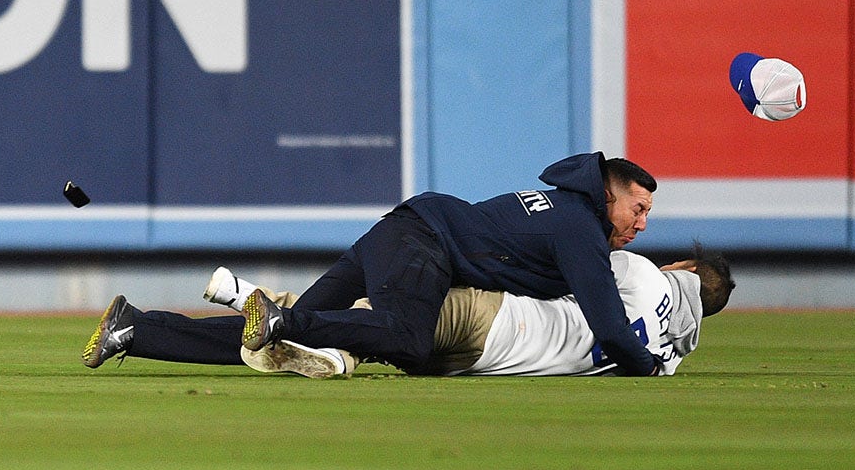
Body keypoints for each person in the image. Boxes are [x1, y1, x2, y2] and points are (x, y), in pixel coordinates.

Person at [85, 152, 664, 375]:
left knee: (264, 349)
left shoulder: (565, 214)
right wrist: (654, 367)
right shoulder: (580, 227)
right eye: (637, 208)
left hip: (401, 234)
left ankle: (134, 328)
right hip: (422, 246)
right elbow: (611, 328)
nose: (641, 223)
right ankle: (283, 318)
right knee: (409, 341)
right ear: (608, 194)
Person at [81, 245, 734, 378]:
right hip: (480, 355)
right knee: (304, 335)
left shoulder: (638, 271)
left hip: (473, 307)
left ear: (683, 268)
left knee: (295, 334)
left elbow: (554, 274)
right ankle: (149, 326)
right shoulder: (670, 360)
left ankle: (246, 300)